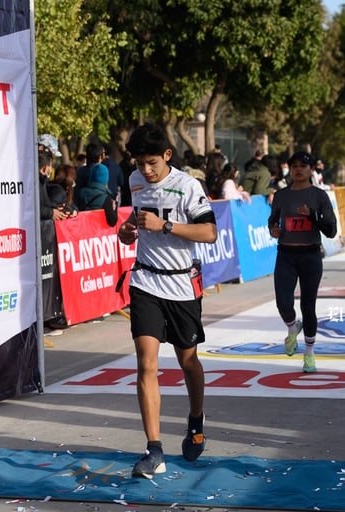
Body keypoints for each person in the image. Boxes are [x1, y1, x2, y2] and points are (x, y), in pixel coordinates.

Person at [115, 123, 217, 479]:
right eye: (140, 163)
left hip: (182, 287)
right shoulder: (134, 181)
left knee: (188, 361)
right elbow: (133, 222)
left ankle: (195, 420)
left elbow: (209, 232)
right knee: (146, 364)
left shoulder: (189, 186)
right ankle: (153, 450)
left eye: (152, 162)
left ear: (167, 156)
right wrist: (126, 230)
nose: (146, 170)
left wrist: (165, 227)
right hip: (145, 281)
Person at [267, 151, 337, 373]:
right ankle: (291, 327)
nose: (298, 170)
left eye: (303, 166)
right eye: (294, 166)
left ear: (310, 170)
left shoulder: (320, 196)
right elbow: (271, 221)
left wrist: (312, 215)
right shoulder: (281, 196)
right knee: (283, 303)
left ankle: (309, 353)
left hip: (310, 255)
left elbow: (332, 230)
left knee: (308, 305)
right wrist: (273, 230)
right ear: (289, 169)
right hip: (286, 254)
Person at [38, 150, 69, 221]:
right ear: (46, 168)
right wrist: (51, 213)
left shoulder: (43, 182)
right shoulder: (38, 183)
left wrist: (58, 208)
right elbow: (34, 208)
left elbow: (45, 204)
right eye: (50, 166)